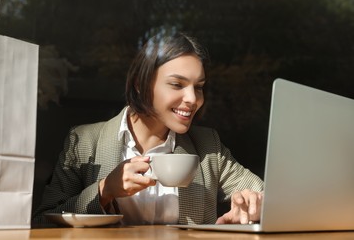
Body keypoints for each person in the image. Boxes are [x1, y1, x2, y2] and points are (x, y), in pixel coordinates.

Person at [32, 32, 264, 227]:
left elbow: (273, 198)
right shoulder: (83, 141)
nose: (193, 99)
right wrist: (104, 190)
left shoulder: (208, 147)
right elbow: (44, 221)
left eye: (199, 87)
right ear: (140, 84)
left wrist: (255, 207)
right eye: (177, 84)